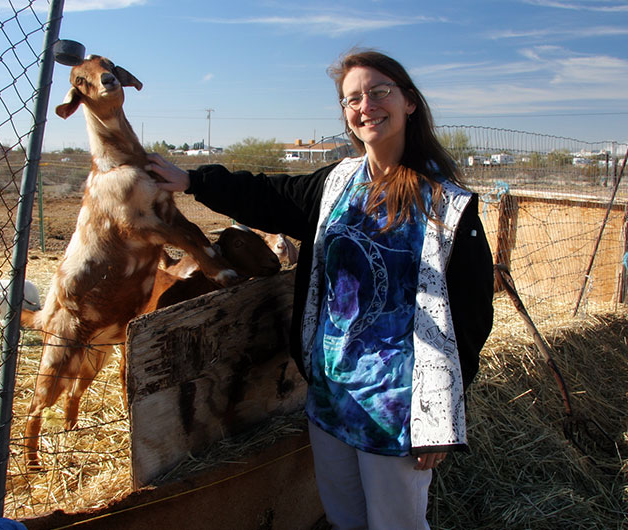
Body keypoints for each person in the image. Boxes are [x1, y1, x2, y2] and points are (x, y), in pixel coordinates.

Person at [146, 49, 494, 530]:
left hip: (399, 407)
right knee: (343, 519)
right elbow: (269, 196)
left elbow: (472, 315)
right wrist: (191, 180)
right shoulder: (337, 184)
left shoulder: (446, 207)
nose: (366, 105)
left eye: (378, 92)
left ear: (409, 102)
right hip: (332, 395)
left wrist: (440, 418)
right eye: (353, 98)